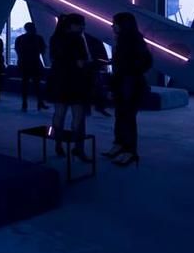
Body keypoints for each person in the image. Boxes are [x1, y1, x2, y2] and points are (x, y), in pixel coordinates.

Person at [104, 12, 152, 166]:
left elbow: (144, 62)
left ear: (123, 25)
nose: (112, 26)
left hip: (130, 84)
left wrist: (130, 70)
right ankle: (121, 146)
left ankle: (129, 151)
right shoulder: (126, 40)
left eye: (115, 23)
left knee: (127, 117)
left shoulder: (132, 41)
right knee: (121, 116)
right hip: (125, 82)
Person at [47, 14, 93, 162]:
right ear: (71, 25)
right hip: (75, 81)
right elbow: (81, 63)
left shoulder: (55, 38)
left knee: (59, 113)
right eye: (80, 24)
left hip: (59, 80)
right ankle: (78, 148)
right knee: (78, 116)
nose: (83, 27)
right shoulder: (77, 39)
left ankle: (58, 144)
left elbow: (53, 58)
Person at [14, 22, 49, 112]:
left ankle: (24, 103)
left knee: (25, 84)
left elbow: (18, 51)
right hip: (35, 63)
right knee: (37, 84)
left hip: (24, 64)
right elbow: (42, 50)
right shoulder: (38, 38)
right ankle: (40, 102)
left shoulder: (20, 39)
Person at [85, 33, 111, 116]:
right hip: (92, 64)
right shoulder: (94, 36)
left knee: (93, 87)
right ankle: (96, 107)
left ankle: (91, 107)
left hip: (91, 64)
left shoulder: (88, 37)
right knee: (94, 86)